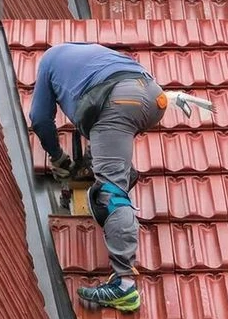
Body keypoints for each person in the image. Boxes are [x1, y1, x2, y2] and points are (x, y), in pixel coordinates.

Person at [29, 42, 166, 312]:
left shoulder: (48, 62)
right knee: (109, 150)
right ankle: (122, 173)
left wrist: (57, 157)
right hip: (153, 95)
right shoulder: (89, 55)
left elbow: (40, 118)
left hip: (118, 100)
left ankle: (124, 286)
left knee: (110, 193)